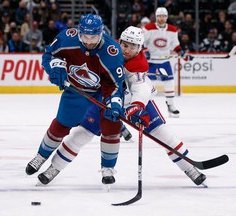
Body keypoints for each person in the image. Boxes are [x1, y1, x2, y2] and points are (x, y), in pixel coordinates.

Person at [28, 26, 206, 187]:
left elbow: (141, 88)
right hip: (105, 101)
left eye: (133, 46)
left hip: (132, 104)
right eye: (125, 44)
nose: (127, 49)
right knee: (79, 136)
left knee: (165, 136)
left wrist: (136, 106)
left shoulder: (138, 65)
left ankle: (191, 169)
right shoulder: (109, 52)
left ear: (140, 48)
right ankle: (54, 168)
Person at [25, 14, 125, 185]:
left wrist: (113, 102)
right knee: (62, 123)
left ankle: (108, 168)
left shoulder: (112, 51)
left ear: (101, 33)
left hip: (102, 93)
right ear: (79, 32)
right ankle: (41, 156)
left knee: (111, 125)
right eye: (85, 36)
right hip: (76, 89)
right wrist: (54, 68)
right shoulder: (67, 38)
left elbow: (115, 85)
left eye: (93, 37)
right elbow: (48, 55)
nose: (88, 41)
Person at [142, 7, 193, 118]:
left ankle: (170, 105)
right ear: (156, 17)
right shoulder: (148, 28)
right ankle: (147, 107)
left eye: (164, 16)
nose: (162, 18)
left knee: (169, 83)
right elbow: (141, 42)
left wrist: (181, 53)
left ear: (167, 17)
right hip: (151, 62)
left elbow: (175, 44)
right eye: (159, 16)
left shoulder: (173, 30)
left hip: (164, 61)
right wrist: (145, 51)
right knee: (149, 86)